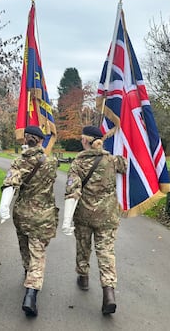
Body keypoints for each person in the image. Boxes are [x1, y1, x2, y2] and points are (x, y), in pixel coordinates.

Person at [62, 125, 127, 315]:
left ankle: (83, 277)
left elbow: (72, 192)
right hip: (107, 216)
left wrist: (66, 220)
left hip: (84, 215)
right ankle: (109, 293)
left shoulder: (78, 164)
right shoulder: (112, 160)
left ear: (85, 141)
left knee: (83, 247)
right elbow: (125, 166)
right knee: (106, 252)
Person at [0, 125, 59, 317]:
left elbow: (10, 184)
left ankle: (28, 273)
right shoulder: (51, 162)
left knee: (25, 247)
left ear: (25, 140)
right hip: (43, 216)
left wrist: (3, 208)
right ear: (40, 140)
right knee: (37, 253)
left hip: (22, 214)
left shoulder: (19, 163)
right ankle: (31, 294)